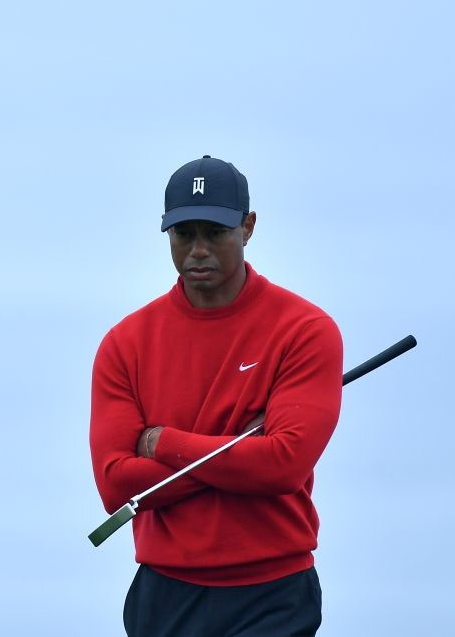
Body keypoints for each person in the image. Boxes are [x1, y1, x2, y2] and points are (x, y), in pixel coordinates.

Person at [89, 155, 344, 637]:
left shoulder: (305, 331)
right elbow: (117, 487)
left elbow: (282, 466)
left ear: (247, 228)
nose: (198, 250)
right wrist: (238, 451)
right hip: (162, 594)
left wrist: (163, 442)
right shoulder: (126, 343)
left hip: (272, 594)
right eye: (184, 235)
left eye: (215, 232)